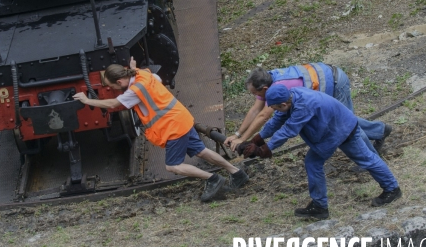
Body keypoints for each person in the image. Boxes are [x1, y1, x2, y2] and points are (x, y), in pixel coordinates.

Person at [73, 59, 249, 202]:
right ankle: (236, 173)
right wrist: (134, 68)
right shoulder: (143, 73)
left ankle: (213, 179)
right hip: (182, 118)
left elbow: (112, 104)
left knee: (173, 166)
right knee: (201, 151)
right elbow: (154, 79)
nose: (113, 90)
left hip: (173, 126)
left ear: (120, 81)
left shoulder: (134, 91)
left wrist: (87, 101)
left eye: (113, 87)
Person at [237, 83, 402, 219]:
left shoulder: (304, 105)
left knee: (366, 159)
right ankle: (319, 206)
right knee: (313, 163)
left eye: (276, 108)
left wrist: (264, 149)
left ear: (283, 104)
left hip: (342, 129)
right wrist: (256, 140)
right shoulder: (290, 97)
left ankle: (392, 189)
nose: (276, 111)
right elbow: (277, 121)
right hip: (331, 131)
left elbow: (288, 131)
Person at [225, 64, 392, 156]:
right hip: (324, 83)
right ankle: (380, 130)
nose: (255, 96)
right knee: (343, 120)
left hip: (334, 82)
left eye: (255, 93)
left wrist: (247, 141)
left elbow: (263, 116)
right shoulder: (266, 81)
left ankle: (371, 156)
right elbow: (256, 110)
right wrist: (238, 135)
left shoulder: (279, 88)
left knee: (347, 124)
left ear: (265, 88)